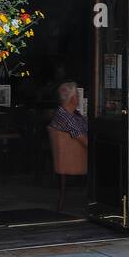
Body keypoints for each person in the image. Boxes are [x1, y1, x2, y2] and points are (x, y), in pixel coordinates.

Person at [47, 81, 89, 211]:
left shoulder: (69, 113)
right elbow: (84, 140)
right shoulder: (67, 117)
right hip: (77, 159)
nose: (78, 97)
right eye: (77, 94)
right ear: (72, 98)